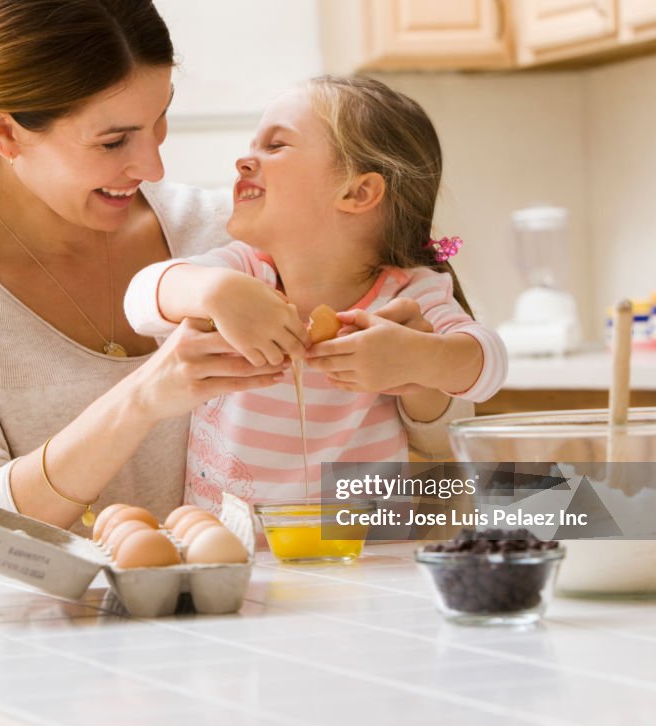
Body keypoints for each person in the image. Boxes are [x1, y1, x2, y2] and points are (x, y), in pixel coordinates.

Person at [0, 0, 471, 567]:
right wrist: (143, 397)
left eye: (159, 121)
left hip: (277, 611)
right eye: (113, 140)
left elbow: (443, 469)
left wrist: (420, 393)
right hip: (53, 650)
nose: (152, 166)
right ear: (6, 132)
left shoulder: (234, 233)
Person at [124, 75, 507, 509]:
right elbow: (138, 300)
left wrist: (416, 359)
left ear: (357, 192)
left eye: (275, 146)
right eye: (253, 145)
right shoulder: (242, 272)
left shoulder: (405, 298)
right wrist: (210, 289)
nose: (244, 160)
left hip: (361, 552)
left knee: (572, 502)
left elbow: (489, 365)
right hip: (230, 550)